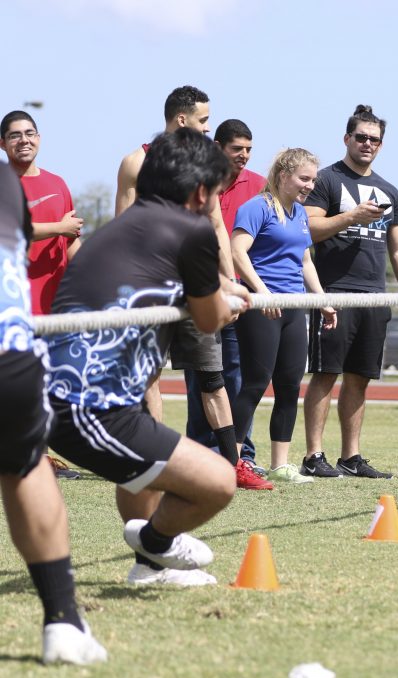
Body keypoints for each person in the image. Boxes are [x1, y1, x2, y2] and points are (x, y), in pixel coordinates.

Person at [46, 128, 248, 587]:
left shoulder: (122, 228)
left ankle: (149, 569)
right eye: (216, 193)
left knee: (143, 473)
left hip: (73, 401)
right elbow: (210, 319)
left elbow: (178, 281)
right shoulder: (192, 230)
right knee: (219, 481)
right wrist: (229, 304)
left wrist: (222, 287)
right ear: (201, 191)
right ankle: (156, 542)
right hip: (87, 408)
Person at [0, 162, 107, 665]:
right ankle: (62, 621)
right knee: (26, 470)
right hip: (9, 348)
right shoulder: (6, 182)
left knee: (27, 467)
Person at [114, 86, 242, 484]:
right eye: (204, 121)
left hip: (195, 283)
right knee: (149, 377)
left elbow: (217, 225)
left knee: (212, 378)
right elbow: (123, 228)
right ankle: (154, 463)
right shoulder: (136, 163)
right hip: (151, 289)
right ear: (182, 119)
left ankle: (234, 464)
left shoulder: (204, 163)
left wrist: (229, 280)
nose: (207, 128)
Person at [301, 105, 398, 479]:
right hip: (334, 294)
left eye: (374, 140)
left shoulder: (389, 190)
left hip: (374, 296)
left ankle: (350, 457)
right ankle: (313, 455)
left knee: (359, 377)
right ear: (347, 138)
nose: (368, 144)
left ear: (381, 145)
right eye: (362, 137)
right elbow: (309, 229)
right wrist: (352, 216)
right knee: (325, 374)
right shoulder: (325, 180)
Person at [230, 148, 337, 484]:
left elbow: (304, 261)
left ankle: (280, 465)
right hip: (262, 307)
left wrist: (321, 300)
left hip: (293, 308)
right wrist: (261, 292)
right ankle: (231, 463)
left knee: (289, 386)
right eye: (304, 178)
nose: (310, 185)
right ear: (283, 175)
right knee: (254, 384)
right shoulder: (257, 207)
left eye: (313, 180)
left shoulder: (300, 213)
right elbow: (236, 252)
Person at [179, 118, 270, 490]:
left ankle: (241, 454)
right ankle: (202, 452)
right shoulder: (200, 181)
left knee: (237, 377)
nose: (244, 156)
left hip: (244, 295)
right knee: (202, 376)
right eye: (237, 149)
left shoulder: (260, 185)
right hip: (205, 292)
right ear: (218, 147)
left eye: (249, 149)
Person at [1, 110, 83, 480]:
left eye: (30, 133)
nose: (24, 140)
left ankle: (39, 456)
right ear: (2, 144)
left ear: (39, 137)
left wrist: (89, 278)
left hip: (55, 303)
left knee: (47, 384)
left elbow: (71, 239)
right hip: (13, 301)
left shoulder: (57, 183)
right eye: (15, 135)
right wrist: (59, 227)